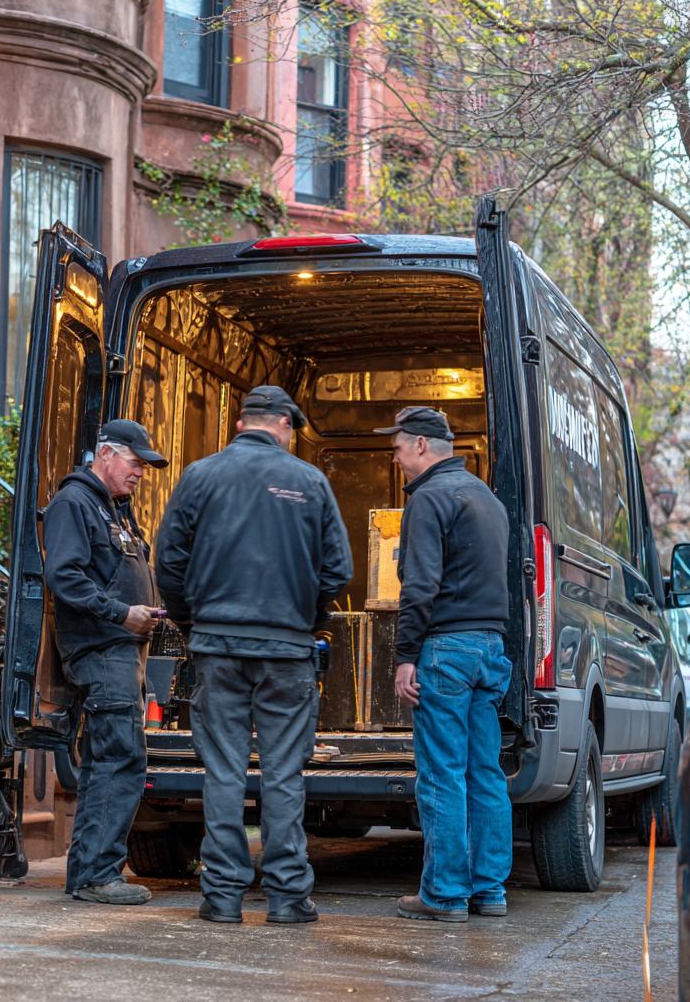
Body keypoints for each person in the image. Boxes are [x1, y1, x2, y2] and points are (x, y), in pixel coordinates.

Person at [154, 385, 352, 925]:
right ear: (285, 425)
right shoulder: (309, 482)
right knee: (285, 772)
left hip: (216, 646)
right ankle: (288, 897)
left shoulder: (200, 475)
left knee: (222, 771)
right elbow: (338, 570)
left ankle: (222, 898)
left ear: (241, 424)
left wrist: (191, 618)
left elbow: (168, 559)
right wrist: (307, 621)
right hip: (287, 650)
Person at [373, 406, 512, 923]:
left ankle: (445, 895)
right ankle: (489, 891)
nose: (395, 453)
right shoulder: (487, 499)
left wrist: (405, 657)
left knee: (442, 775)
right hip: (489, 650)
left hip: (445, 651)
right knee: (485, 773)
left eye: (398, 445)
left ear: (422, 447)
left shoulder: (430, 498)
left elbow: (420, 586)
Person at [42, 419, 168, 905]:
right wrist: (121, 613)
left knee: (108, 761)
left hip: (119, 650)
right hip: (102, 649)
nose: (140, 472)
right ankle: (98, 876)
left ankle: (89, 874)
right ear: (107, 454)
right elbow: (65, 578)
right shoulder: (75, 502)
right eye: (135, 462)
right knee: (119, 759)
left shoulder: (111, 507)